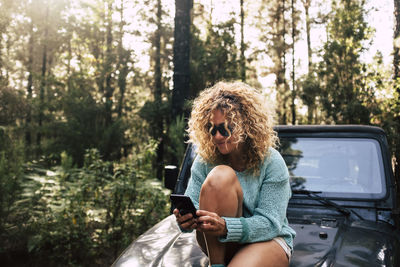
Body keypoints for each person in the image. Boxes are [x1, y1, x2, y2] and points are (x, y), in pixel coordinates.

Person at [173, 81, 296, 267]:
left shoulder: (272, 161)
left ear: (245, 125)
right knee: (220, 175)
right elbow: (194, 205)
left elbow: (271, 224)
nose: (217, 136)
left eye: (224, 128)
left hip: (267, 240)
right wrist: (186, 220)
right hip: (221, 246)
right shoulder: (205, 160)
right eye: (211, 129)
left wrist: (226, 226)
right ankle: (217, 265)